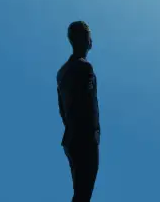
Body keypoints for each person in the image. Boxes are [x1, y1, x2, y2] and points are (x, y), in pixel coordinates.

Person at [57, 21, 101, 202]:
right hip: (85, 138)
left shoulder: (62, 72)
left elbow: (62, 108)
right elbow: (88, 104)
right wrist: (92, 135)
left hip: (71, 138)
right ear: (86, 40)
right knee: (83, 193)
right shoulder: (85, 67)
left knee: (80, 191)